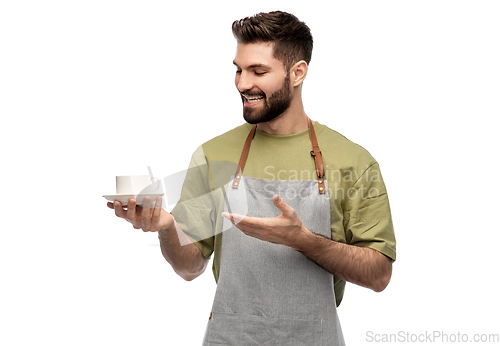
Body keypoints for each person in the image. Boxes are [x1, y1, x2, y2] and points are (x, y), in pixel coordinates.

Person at [108, 11, 396, 345]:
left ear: (298, 72)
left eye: (258, 71)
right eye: (239, 69)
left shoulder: (354, 162)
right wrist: (167, 227)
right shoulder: (213, 154)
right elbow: (190, 268)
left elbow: (379, 275)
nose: (243, 83)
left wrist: (302, 239)